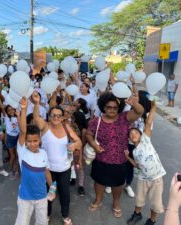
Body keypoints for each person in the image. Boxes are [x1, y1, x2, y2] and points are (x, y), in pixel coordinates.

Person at [86, 92, 144, 218]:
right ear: (103, 107)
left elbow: (140, 111)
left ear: (119, 108)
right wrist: (94, 145)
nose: (112, 110)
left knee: (118, 184)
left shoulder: (124, 118)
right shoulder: (97, 121)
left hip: (119, 159)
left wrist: (134, 103)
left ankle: (116, 202)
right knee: (99, 181)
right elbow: (89, 135)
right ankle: (98, 200)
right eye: (108, 107)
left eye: (115, 107)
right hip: (101, 158)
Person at [33, 92, 82, 225]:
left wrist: (75, 145)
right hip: (47, 170)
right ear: (49, 116)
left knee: (65, 194)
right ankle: (46, 215)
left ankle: (65, 215)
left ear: (62, 117)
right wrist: (37, 103)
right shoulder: (45, 127)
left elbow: (79, 142)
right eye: (53, 115)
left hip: (64, 169)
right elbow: (36, 117)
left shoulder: (66, 127)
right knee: (48, 194)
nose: (55, 117)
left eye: (58, 115)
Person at [125, 101, 166, 225]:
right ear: (129, 139)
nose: (133, 134)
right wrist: (128, 158)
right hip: (143, 178)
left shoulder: (146, 141)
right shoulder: (135, 152)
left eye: (136, 132)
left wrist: (153, 107)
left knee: (155, 202)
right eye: (131, 134)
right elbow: (138, 166)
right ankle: (137, 214)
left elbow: (148, 123)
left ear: (141, 134)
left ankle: (152, 220)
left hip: (156, 178)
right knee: (139, 199)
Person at [14, 97, 52, 225]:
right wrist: (24, 109)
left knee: (42, 223)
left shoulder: (43, 154)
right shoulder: (23, 151)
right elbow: (23, 130)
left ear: (40, 140)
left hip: (42, 197)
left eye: (35, 141)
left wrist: (52, 187)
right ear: (24, 142)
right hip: (25, 198)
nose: (32, 144)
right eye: (28, 141)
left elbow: (47, 171)